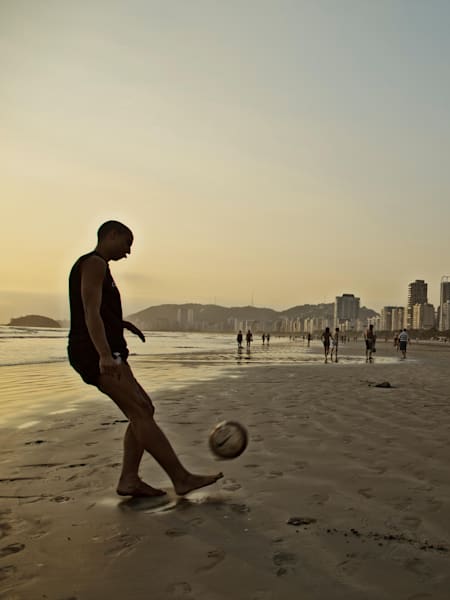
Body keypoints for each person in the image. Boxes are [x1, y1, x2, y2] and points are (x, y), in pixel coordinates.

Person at [68, 221, 223, 498]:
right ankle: (181, 478)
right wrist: (103, 354)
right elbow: (89, 311)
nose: (128, 251)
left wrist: (121, 324)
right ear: (111, 235)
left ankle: (129, 479)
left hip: (107, 350)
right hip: (94, 352)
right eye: (127, 243)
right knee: (138, 411)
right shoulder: (94, 263)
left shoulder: (102, 267)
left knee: (144, 409)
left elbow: (99, 310)